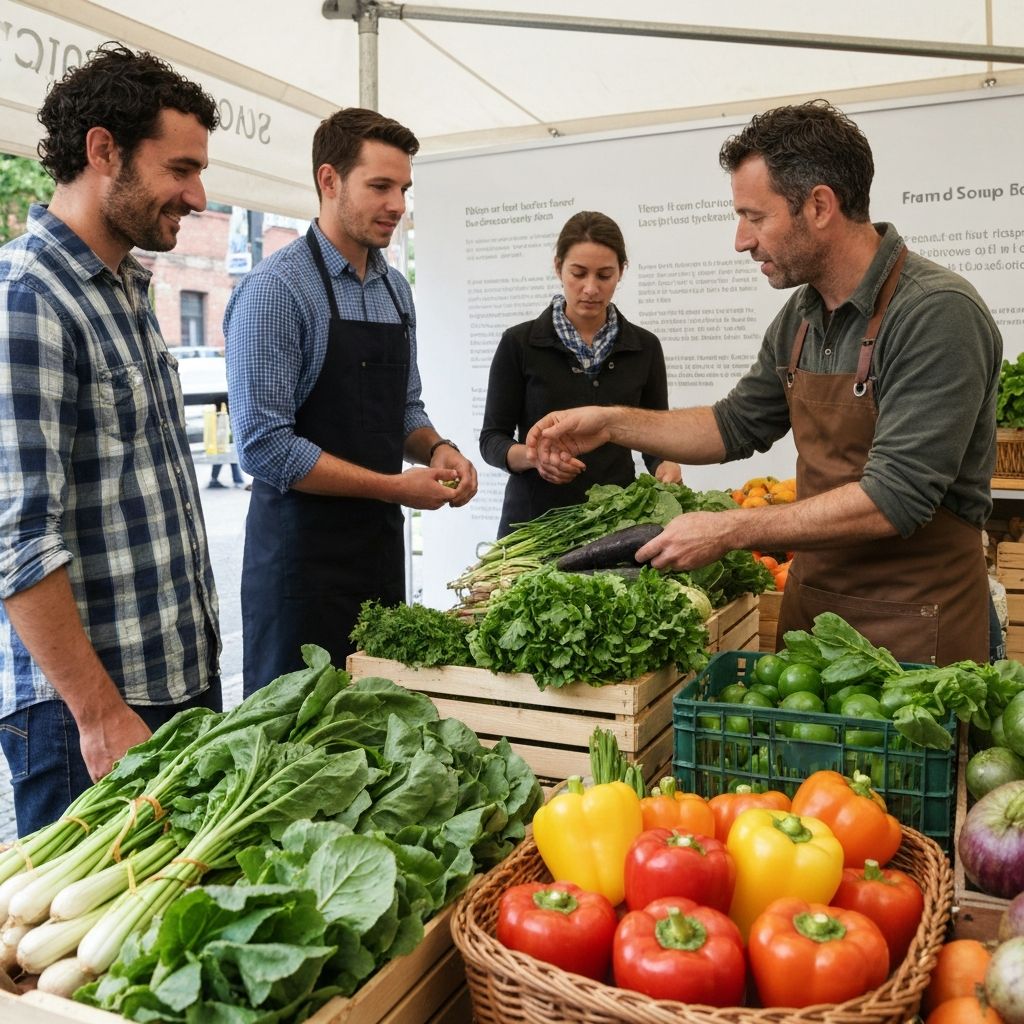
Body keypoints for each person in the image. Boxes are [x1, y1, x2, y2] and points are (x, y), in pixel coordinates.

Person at [528, 100, 1001, 666]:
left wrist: (729, 530)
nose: (741, 240)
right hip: (815, 617)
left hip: (916, 631)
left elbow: (893, 499)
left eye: (755, 216)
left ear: (819, 206)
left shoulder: (935, 313)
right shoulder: (801, 315)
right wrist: (612, 422)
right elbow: (734, 424)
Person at [0, 44, 223, 837]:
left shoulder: (126, 284)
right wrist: (99, 716)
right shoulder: (27, 299)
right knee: (89, 961)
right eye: (181, 168)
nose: (198, 194)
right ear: (104, 151)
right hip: (88, 716)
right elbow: (18, 539)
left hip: (172, 682)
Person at [225, 108, 478, 696]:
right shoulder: (277, 290)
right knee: (297, 751)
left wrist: (440, 448)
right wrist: (395, 487)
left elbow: (404, 408)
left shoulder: (395, 288)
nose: (398, 206)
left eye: (404, 190)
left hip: (377, 558)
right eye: (380, 187)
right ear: (329, 180)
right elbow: (265, 447)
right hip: (298, 571)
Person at [479, 211, 682, 537]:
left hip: (616, 523)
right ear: (558, 266)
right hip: (533, 527)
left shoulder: (645, 347)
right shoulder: (518, 343)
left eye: (604, 275)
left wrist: (665, 465)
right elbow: (492, 441)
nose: (590, 288)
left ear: (621, 272)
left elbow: (655, 437)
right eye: (578, 273)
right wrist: (536, 459)